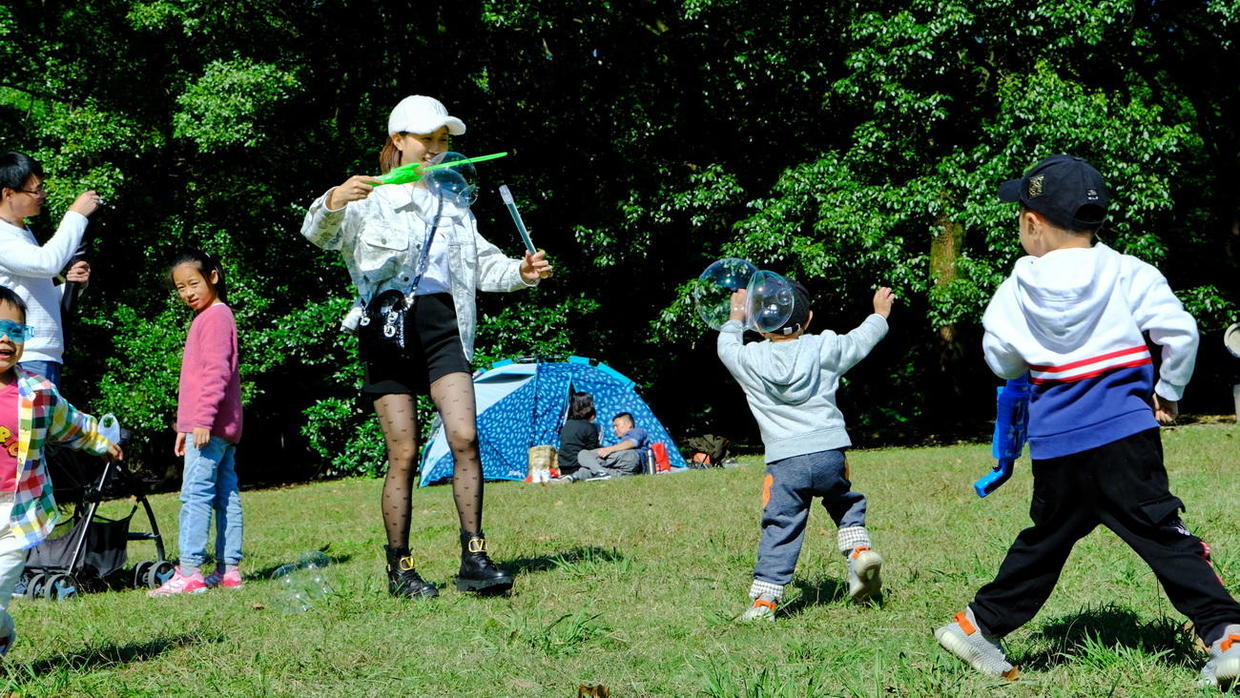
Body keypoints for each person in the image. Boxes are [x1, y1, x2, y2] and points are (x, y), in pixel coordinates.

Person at [933, 154, 1240, 688]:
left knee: (1046, 540)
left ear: (1032, 223)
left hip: (1056, 445)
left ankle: (976, 626)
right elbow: (1181, 333)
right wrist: (1167, 393)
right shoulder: (1128, 271)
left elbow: (1001, 358)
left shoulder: (1016, 289)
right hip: (1124, 437)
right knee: (1164, 534)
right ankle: (1228, 634)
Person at [301, 95, 552, 598]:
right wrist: (334, 199)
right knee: (404, 453)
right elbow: (318, 235)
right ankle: (401, 569)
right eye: (427, 139)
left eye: (444, 141)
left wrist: (522, 274)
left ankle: (475, 558)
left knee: (464, 437)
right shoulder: (366, 196)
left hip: (444, 329)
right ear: (399, 140)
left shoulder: (453, 201)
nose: (437, 149)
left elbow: (484, 266)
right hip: (388, 329)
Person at [718, 278, 894, 621]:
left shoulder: (749, 359)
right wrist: (879, 315)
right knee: (843, 500)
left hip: (785, 461)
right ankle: (858, 549)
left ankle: (764, 602)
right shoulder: (823, 347)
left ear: (758, 324)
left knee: (782, 525)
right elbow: (861, 340)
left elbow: (726, 347)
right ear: (809, 319)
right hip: (830, 451)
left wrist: (736, 316)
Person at [0, 285, 121, 655]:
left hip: (18, 515)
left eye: (16, 330)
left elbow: (71, 423)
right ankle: (3, 633)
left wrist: (101, 440)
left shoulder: (37, 392)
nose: (6, 338)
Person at [149, 251, 245, 596]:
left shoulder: (215, 317)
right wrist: (183, 426)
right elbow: (196, 381)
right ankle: (229, 569)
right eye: (180, 288)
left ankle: (189, 571)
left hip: (210, 426)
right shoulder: (210, 317)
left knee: (196, 495)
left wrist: (200, 421)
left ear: (213, 277)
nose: (187, 293)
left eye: (193, 283)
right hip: (216, 427)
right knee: (226, 494)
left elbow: (216, 373)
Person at [0, 152, 100, 389]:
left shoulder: (21, 233)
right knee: (28, 426)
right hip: (24, 357)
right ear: (8, 193)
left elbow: (33, 298)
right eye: (36, 190)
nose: (42, 195)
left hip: (42, 355)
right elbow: (48, 264)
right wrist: (76, 215)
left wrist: (71, 286)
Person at [562, 412, 649, 482]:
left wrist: (609, 449)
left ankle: (598, 470)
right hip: (625, 472)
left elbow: (632, 443)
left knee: (584, 454)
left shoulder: (636, 431)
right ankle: (572, 478)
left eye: (616, 425)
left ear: (628, 424)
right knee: (586, 469)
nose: (614, 429)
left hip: (632, 458)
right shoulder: (622, 442)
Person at [556, 391, 599, 480]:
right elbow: (592, 450)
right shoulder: (590, 427)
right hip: (578, 466)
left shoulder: (568, 424)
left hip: (563, 466)